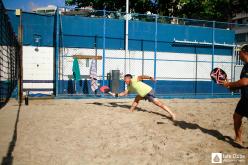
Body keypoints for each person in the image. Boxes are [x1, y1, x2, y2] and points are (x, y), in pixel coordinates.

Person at [111, 74, 176, 120]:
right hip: (143, 94)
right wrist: (116, 95)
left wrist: (150, 78)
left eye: (125, 79)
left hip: (148, 92)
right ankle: (131, 110)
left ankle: (172, 114)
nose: (124, 80)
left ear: (129, 78)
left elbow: (142, 76)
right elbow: (124, 93)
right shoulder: (129, 86)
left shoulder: (134, 79)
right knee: (137, 98)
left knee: (159, 104)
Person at [221, 44, 248, 146]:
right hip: (244, 99)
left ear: (245, 52)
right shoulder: (245, 65)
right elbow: (242, 84)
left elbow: (245, 81)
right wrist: (232, 87)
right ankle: (238, 138)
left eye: (239, 52)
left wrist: (229, 84)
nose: (239, 54)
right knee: (236, 117)